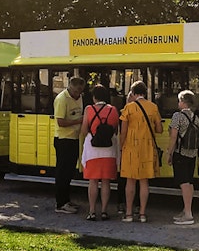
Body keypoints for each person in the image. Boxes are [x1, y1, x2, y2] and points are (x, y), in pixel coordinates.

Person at [119, 80, 161, 223]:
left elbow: (123, 131)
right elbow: (159, 129)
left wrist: (121, 145)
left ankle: (129, 213)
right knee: (144, 182)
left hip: (131, 148)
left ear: (133, 93)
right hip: (147, 148)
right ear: (144, 92)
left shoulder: (128, 108)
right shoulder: (153, 107)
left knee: (130, 182)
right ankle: (142, 213)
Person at [80, 84, 120, 221]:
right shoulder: (113, 110)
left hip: (92, 149)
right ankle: (104, 211)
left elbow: (84, 130)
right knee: (106, 181)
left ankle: (92, 211)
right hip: (109, 149)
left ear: (94, 97)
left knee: (93, 181)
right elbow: (115, 130)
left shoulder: (89, 109)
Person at [167, 90, 199, 225]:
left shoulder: (177, 116)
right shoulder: (195, 117)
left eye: (179, 100)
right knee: (189, 182)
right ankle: (187, 209)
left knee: (183, 182)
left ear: (183, 101)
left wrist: (169, 153)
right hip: (192, 153)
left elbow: (173, 136)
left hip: (180, 153)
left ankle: (188, 214)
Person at [53, 76, 85, 214]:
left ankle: (66, 200)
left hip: (74, 138)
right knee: (62, 172)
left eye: (80, 92)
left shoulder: (79, 97)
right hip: (63, 139)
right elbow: (60, 121)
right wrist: (78, 121)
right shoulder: (62, 99)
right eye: (76, 91)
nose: (78, 94)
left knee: (70, 171)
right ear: (70, 87)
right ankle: (60, 204)